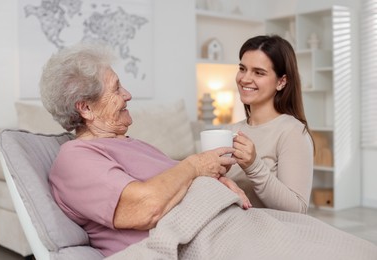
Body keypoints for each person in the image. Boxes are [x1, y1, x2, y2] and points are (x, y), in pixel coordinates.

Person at [39, 43, 250, 257]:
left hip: (230, 226)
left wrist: (212, 181)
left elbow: (177, 181)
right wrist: (196, 166)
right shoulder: (75, 158)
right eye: (116, 88)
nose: (128, 95)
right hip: (203, 242)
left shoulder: (129, 143)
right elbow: (145, 208)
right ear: (86, 108)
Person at [224, 35, 314, 214]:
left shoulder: (292, 132)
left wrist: (253, 166)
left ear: (281, 82)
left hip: (268, 233)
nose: (245, 79)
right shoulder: (230, 131)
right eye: (242, 69)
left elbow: (297, 209)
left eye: (258, 72)